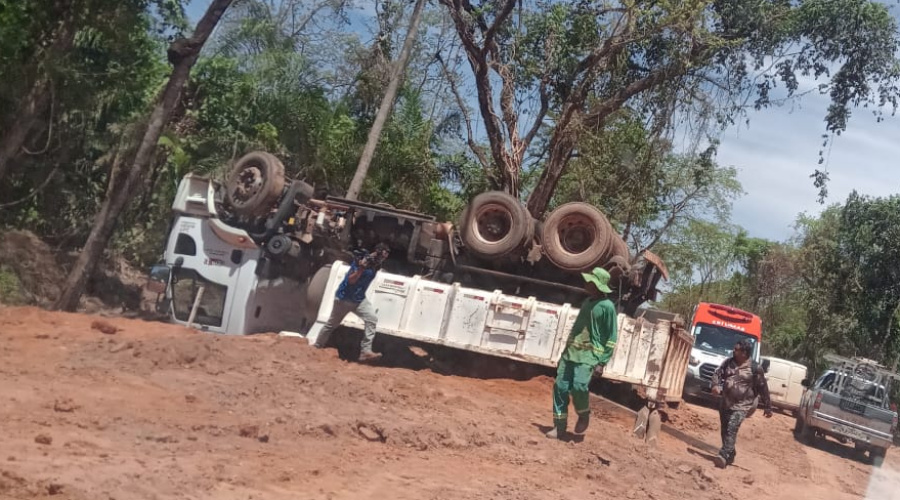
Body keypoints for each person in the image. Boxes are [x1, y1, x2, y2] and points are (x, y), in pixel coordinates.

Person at [546, 267, 618, 440]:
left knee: (579, 386)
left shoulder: (607, 307)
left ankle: (583, 414)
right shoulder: (587, 302)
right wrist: (563, 353)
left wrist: (602, 362)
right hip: (570, 353)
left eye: (590, 281)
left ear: (598, 285)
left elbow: (611, 336)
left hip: (589, 356)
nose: (586, 283)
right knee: (560, 388)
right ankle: (559, 427)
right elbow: (576, 329)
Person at [313, 243, 390, 362]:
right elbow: (351, 280)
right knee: (331, 324)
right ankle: (316, 347)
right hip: (344, 299)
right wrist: (361, 268)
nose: (383, 258)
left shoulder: (376, 265)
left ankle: (365, 351)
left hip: (359, 300)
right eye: (382, 255)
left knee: (371, 319)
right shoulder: (361, 261)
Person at [710, 339, 773, 468]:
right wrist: (715, 385)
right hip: (725, 403)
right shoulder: (728, 362)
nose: (733, 351)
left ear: (744, 353)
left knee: (731, 428)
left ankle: (723, 455)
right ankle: (730, 453)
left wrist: (768, 406)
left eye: (736, 349)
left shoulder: (755, 368)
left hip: (742, 405)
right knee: (725, 431)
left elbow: (763, 387)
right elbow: (717, 373)